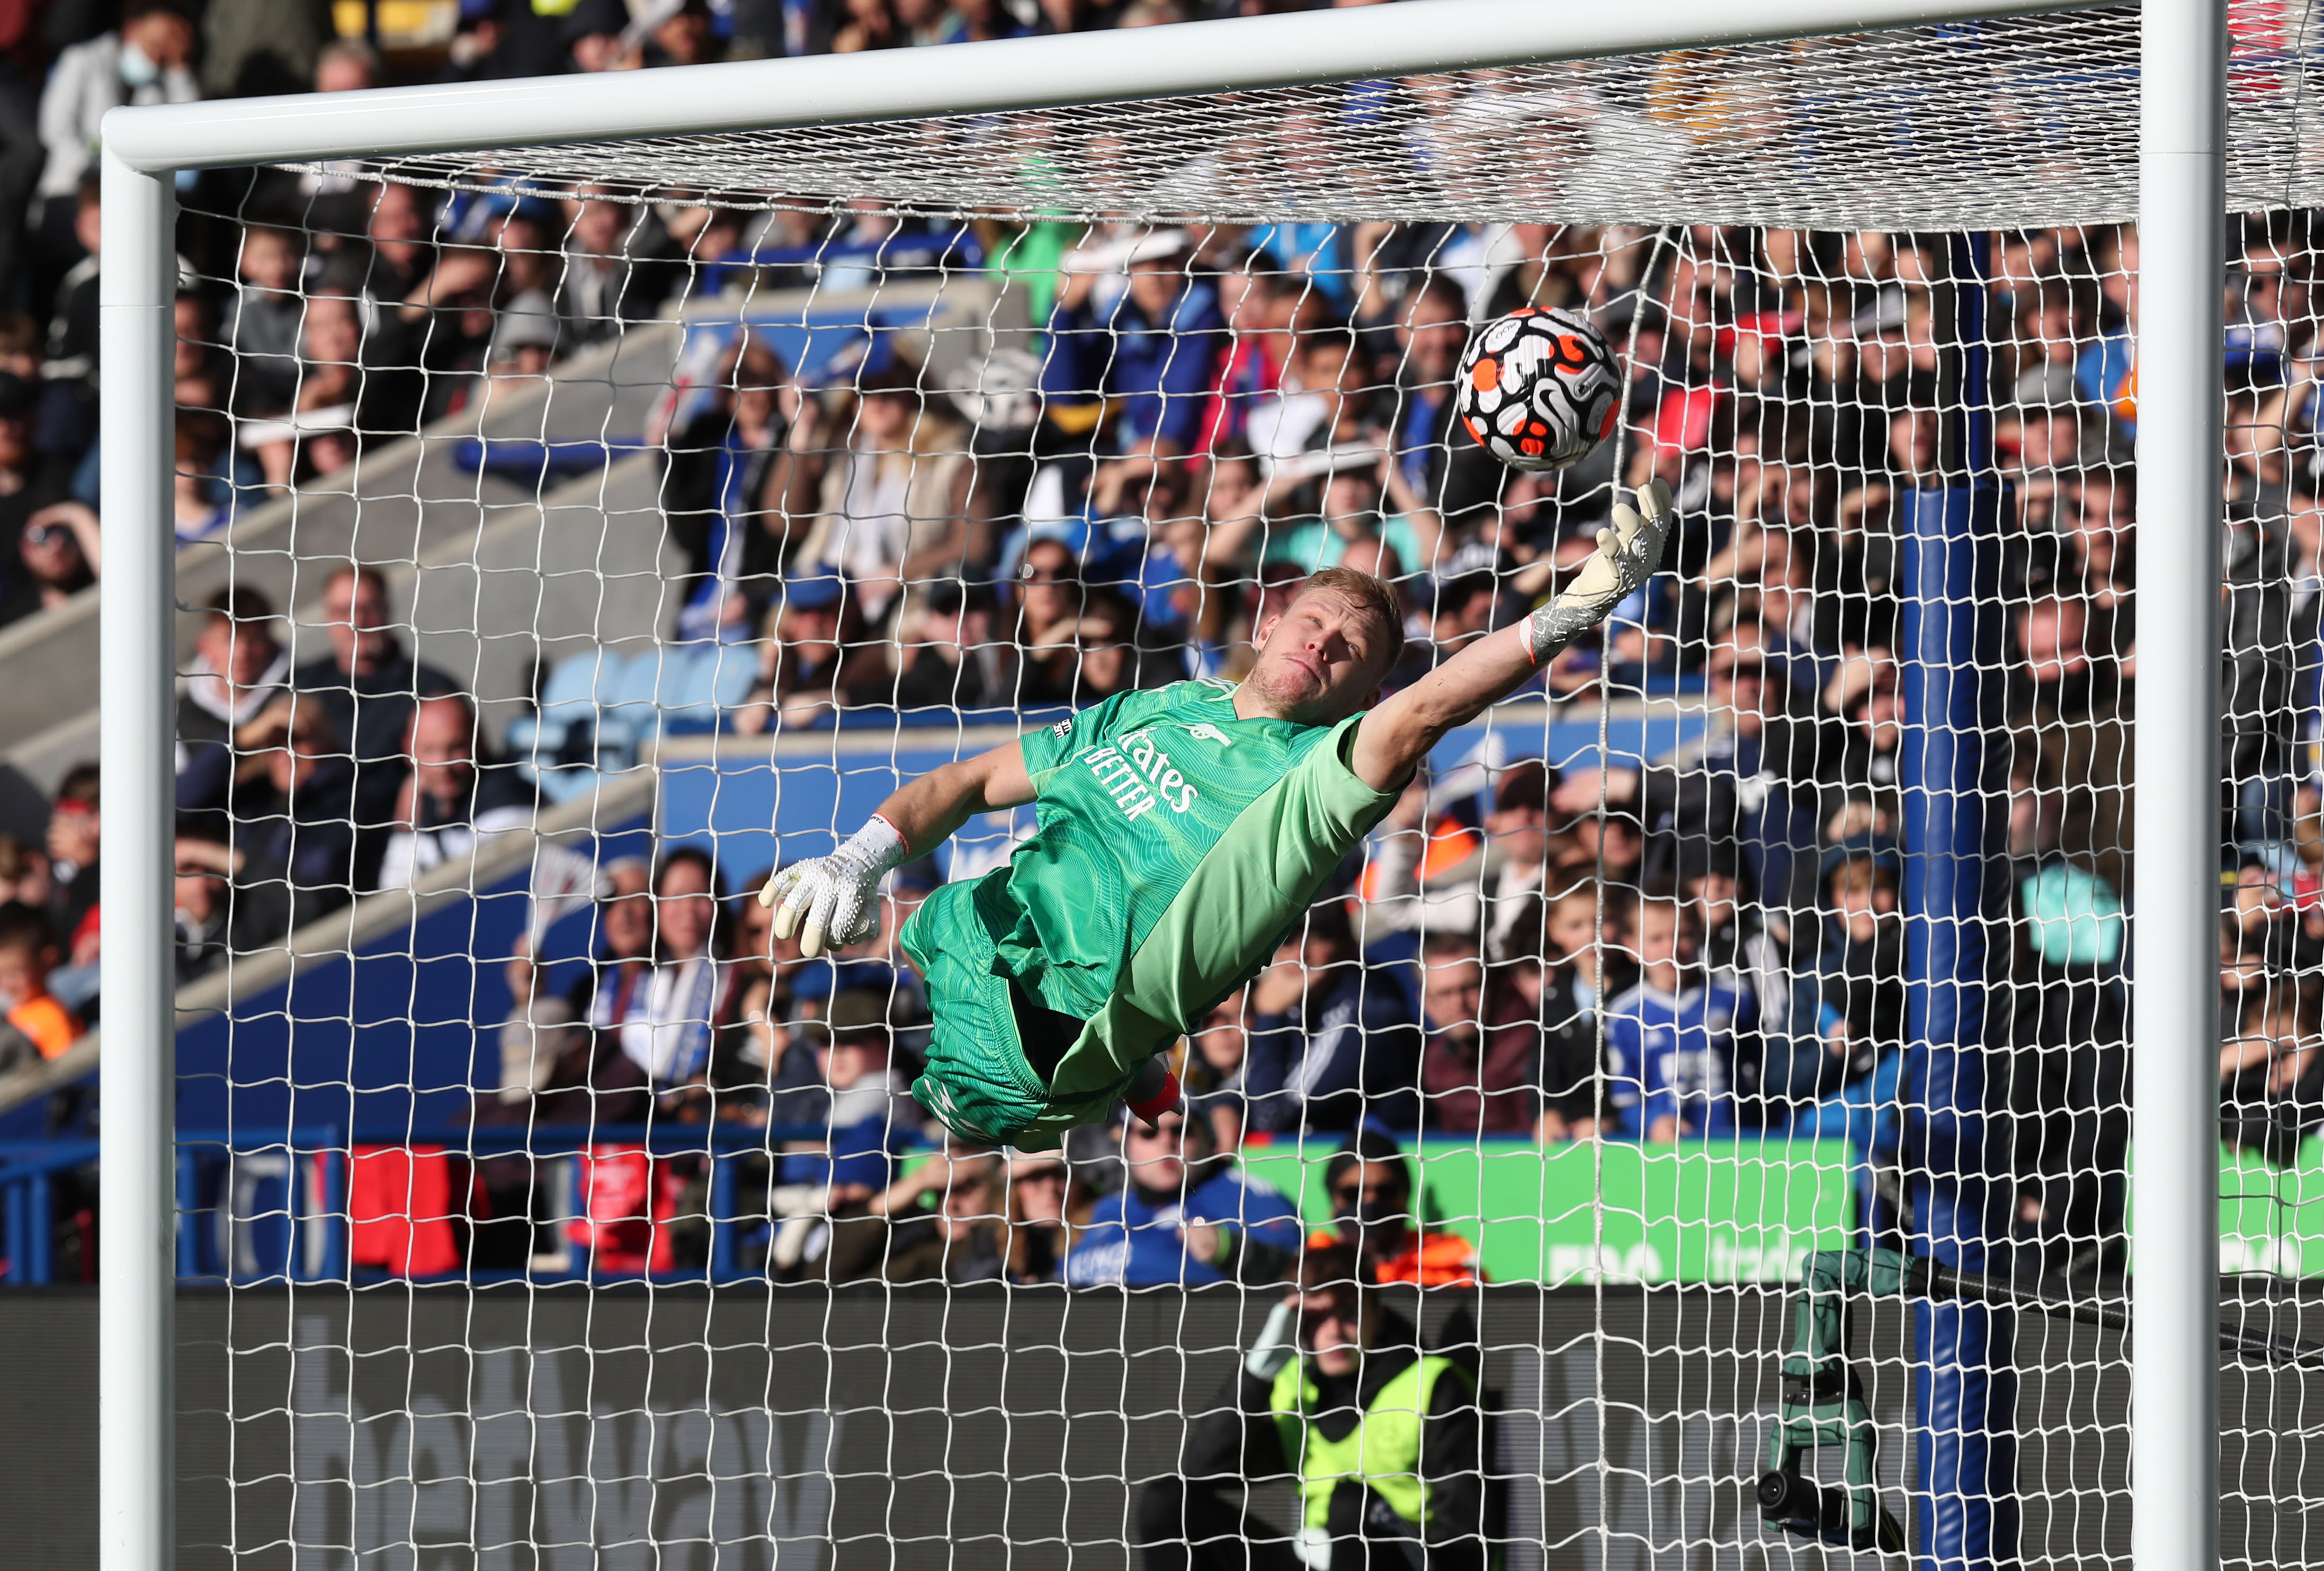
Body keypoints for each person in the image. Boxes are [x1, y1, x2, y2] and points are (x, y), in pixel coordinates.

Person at [759, 482, 1675, 1150]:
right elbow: (967, 778)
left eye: (1349, 648)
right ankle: (1138, 1064)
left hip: (1036, 1050)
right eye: (1313, 619)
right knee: (917, 917)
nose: (1321, 640)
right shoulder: (1160, 705)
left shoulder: (1316, 780)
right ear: (1274, 619)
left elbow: (1428, 711)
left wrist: (1572, 610)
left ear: (1363, 688)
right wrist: (860, 854)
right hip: (981, 942)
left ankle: (1119, 1060)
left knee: (943, 1079)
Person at [1133, 1242, 1487, 1571]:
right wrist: (1257, 1372)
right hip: (1320, 1557)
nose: (1333, 1330)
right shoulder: (1292, 1387)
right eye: (1315, 1316)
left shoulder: (1433, 1385)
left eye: (1349, 1312)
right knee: (1167, 1502)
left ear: (1377, 1313)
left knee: (1350, 1504)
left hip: (1408, 1558)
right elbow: (1203, 1471)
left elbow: (1464, 1535)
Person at [293, 562, 462, 848]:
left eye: (368, 608)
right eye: (344, 611)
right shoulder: (302, 686)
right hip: (303, 837)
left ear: (387, 611)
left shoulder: (430, 691)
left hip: (391, 843)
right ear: (327, 618)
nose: (357, 621)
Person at [1063, 1106, 1301, 1287]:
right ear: (1125, 1142)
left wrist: (1230, 1249)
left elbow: (1298, 1270)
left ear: (1207, 1138)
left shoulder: (1244, 1196)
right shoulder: (1107, 1210)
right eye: (1150, 1133)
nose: (1167, 1142)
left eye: (1182, 1130)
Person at [1241, 902, 1422, 1136]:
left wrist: (1268, 1019)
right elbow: (1241, 1091)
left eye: (1315, 939)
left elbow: (1272, 1116)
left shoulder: (1370, 1015)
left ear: (1349, 945)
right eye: (1287, 942)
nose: (1300, 955)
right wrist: (1224, 1107)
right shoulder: (1300, 1004)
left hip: (1395, 1162)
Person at [1602, 888, 1749, 1142]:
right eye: (1656, 939)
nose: (1672, 949)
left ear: (1701, 936)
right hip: (1667, 1153)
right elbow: (1624, 1100)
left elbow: (1767, 1075)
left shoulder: (1734, 995)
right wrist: (1653, 1122)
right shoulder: (1624, 1014)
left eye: (1684, 936)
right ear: (1631, 947)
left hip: (1735, 1149)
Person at [374, 694, 537, 891]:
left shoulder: (506, 800)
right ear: (408, 751)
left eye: (455, 748)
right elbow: (393, 891)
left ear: (479, 741)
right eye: (430, 751)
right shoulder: (425, 802)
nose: (444, 767)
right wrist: (406, 828)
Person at [1306, 1127, 1482, 1287]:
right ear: (1333, 1202)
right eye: (1354, 1193)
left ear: (1406, 1199)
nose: (1370, 1202)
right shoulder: (1309, 1270)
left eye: (1386, 1191)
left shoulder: (1454, 1268)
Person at [0, 899, 83, 1062]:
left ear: (48, 961)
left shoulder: (56, 1020)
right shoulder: (10, 1015)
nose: (7, 983)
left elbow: (66, 1075)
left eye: (15, 972)